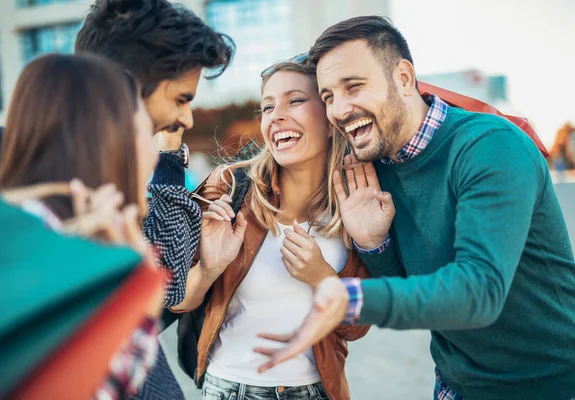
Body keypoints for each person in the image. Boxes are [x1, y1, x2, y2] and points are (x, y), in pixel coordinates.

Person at [255, 16, 575, 400]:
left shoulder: (490, 147)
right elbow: (417, 286)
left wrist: (347, 297)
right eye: (329, 96)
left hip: (556, 387)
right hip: (455, 385)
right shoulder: (376, 163)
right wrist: (375, 243)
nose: (339, 109)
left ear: (403, 78)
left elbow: (478, 292)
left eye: (354, 86)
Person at [170, 58, 370, 400]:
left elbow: (354, 328)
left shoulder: (357, 203)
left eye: (295, 100)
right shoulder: (229, 187)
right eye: (267, 106)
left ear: (329, 117)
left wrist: (321, 277)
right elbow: (177, 300)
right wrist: (210, 268)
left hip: (315, 391)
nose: (276, 115)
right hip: (227, 388)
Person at [74, 0, 235, 397]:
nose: (187, 119)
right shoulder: (42, 194)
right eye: (181, 98)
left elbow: (167, 284)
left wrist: (166, 154)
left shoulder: (109, 179)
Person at [0, 53, 162, 399]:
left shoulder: (18, 225)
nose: (156, 152)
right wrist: (141, 300)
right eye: (151, 129)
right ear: (118, 139)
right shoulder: (67, 256)